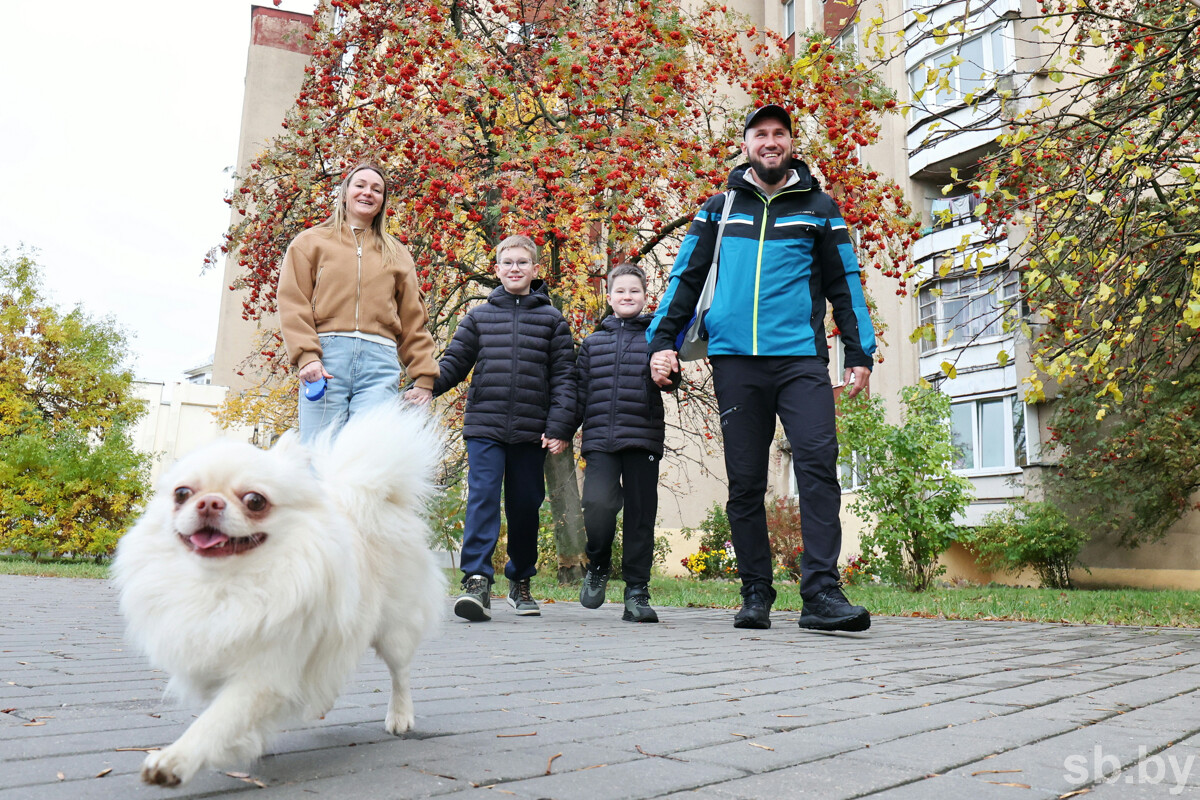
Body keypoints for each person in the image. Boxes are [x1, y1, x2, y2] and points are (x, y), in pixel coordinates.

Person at [647, 104, 876, 632]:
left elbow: (845, 283)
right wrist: (660, 342)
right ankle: (756, 593)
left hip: (799, 359)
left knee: (817, 466)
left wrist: (859, 353)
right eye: (760, 134)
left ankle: (821, 594)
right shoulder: (718, 209)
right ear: (747, 144)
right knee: (746, 481)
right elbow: (685, 278)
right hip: (735, 362)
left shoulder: (820, 209)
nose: (770, 142)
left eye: (779, 134)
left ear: (791, 143)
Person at [433, 235, 576, 622]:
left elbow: (565, 379)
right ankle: (476, 581)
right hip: (485, 426)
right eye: (508, 262)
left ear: (535, 270)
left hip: (532, 431)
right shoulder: (478, 318)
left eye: (522, 262)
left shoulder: (553, 321)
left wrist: (560, 426)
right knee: (482, 498)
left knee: (525, 506)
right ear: (496, 270)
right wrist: (423, 387)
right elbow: (452, 364)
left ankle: (520, 581)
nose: (515, 268)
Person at [278, 162, 437, 442]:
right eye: (360, 185)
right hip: (326, 361)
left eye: (377, 189)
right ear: (344, 194)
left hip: (379, 363)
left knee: (369, 453)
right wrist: (306, 357)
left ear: (382, 201)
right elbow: (293, 301)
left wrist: (424, 378)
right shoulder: (309, 243)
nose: (367, 193)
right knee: (319, 451)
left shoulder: (397, 254)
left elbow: (413, 318)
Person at [574, 264, 678, 623]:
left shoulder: (657, 339)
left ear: (645, 297)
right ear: (610, 297)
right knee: (596, 504)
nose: (627, 296)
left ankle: (636, 591)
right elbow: (577, 394)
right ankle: (598, 563)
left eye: (634, 291)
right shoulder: (592, 343)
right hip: (600, 439)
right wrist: (559, 431)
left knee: (640, 516)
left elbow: (672, 379)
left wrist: (668, 374)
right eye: (620, 291)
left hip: (642, 438)